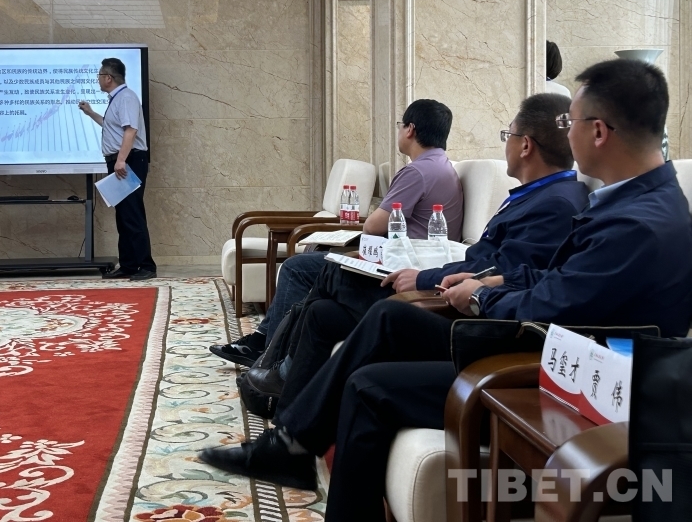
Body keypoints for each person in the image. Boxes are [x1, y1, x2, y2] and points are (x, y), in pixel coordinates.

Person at [199, 59, 692, 521]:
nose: (568, 133)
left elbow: (556, 306)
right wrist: (496, 280)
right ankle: (290, 442)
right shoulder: (634, 203)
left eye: (573, 122)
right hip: (549, 347)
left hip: (563, 374)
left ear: (599, 132)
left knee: (370, 379)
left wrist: (481, 295)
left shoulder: (636, 223)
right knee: (376, 323)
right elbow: (562, 281)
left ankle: (290, 442)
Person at [244, 93, 589, 408]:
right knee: (322, 312)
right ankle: (284, 405)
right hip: (444, 279)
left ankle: (275, 366)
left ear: (525, 145)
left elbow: (500, 274)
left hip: (454, 306)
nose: (506, 145)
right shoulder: (537, 195)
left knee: (331, 271)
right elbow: (490, 264)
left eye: (507, 135)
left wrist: (423, 277)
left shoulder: (555, 205)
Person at [209, 99, 463, 366]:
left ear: (410, 129)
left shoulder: (417, 172)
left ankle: (270, 354)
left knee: (296, 268)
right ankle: (264, 340)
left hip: (398, 267)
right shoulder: (442, 166)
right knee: (313, 263)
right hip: (416, 261)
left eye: (401, 125)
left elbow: (374, 225)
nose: (399, 131)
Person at [78, 58, 156, 280]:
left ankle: (146, 266)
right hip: (121, 161)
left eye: (99, 75)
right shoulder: (117, 99)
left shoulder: (126, 97)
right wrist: (91, 113)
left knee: (132, 214)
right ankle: (129, 265)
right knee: (123, 216)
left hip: (129, 161)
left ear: (108, 78)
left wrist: (121, 161)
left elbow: (131, 130)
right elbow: (112, 128)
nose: (98, 79)